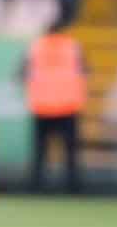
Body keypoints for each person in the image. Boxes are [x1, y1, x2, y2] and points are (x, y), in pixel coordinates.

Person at [24, 24, 88, 194]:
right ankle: (73, 189)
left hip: (42, 106)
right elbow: (85, 71)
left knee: (40, 154)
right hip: (68, 105)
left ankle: (36, 189)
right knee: (70, 154)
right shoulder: (72, 46)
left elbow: (22, 73)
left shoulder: (36, 46)